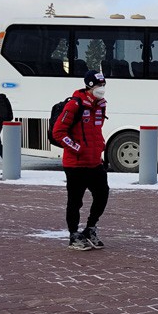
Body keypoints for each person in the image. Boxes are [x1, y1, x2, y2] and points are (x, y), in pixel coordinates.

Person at [53, 70, 109, 251]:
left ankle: (90, 228)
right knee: (75, 201)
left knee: (102, 194)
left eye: (103, 85)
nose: (102, 88)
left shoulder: (100, 105)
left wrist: (100, 146)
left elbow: (96, 130)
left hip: (94, 162)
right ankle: (73, 235)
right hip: (75, 164)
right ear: (89, 86)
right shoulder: (74, 105)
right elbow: (58, 132)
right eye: (99, 85)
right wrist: (77, 148)